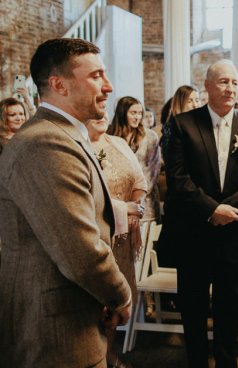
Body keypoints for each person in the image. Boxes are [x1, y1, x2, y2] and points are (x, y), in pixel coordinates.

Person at [0, 38, 131, 367]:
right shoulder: (45, 142)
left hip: (74, 313)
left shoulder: (64, 134)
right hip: (54, 329)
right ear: (59, 84)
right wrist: (119, 295)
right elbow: (79, 247)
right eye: (96, 76)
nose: (108, 86)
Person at [162, 60, 238, 368]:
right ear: (206, 85)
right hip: (193, 231)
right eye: (222, 82)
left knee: (229, 306)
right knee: (192, 306)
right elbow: (177, 178)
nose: (230, 88)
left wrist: (229, 209)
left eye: (234, 82)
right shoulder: (182, 125)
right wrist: (211, 209)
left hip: (235, 230)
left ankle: (225, 361)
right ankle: (195, 361)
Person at [87, 113, 146, 367]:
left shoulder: (118, 143)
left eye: (104, 112)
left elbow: (139, 179)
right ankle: (95, 357)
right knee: (97, 300)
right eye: (95, 113)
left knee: (116, 298)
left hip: (123, 239)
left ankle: (111, 352)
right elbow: (89, 196)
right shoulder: (79, 145)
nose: (101, 116)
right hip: (97, 232)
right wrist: (126, 208)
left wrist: (138, 206)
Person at [109, 97, 161, 223]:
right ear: (122, 114)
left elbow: (152, 173)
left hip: (145, 203)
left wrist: (135, 199)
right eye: (133, 113)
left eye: (140, 113)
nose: (138, 117)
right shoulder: (110, 136)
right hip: (118, 203)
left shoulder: (149, 137)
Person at [160, 85, 201, 156]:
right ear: (180, 103)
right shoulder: (172, 126)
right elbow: (169, 156)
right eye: (189, 101)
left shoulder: (201, 124)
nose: (195, 105)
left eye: (197, 100)